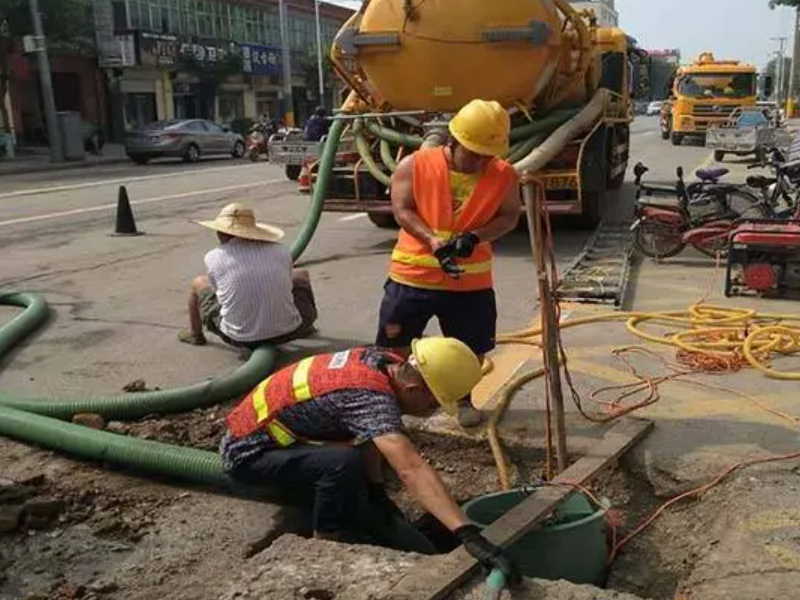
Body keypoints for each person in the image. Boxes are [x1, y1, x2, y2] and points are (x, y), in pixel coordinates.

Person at [220, 336, 519, 581]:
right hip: (250, 456)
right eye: (433, 403)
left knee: (359, 463)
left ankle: (358, 506)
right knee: (342, 463)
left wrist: (376, 490)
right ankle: (326, 542)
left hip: (282, 439)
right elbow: (411, 468)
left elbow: (368, 433)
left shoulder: (382, 362)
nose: (432, 411)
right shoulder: (369, 396)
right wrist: (467, 533)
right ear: (414, 388)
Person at [376, 99, 521, 427]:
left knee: (470, 348)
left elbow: (509, 216)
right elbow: (402, 210)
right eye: (473, 153)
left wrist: (474, 237)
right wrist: (433, 240)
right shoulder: (414, 165)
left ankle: (464, 400)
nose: (481, 162)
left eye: (488, 155)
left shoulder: (504, 175)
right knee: (394, 345)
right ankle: (390, 402)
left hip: (470, 283)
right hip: (412, 276)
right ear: (454, 141)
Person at [179, 203, 317, 349]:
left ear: (221, 233)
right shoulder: (281, 250)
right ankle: (307, 327)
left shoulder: (213, 257)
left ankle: (196, 334)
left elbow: (218, 294)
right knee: (301, 275)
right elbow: (287, 282)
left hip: (239, 337)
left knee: (198, 282)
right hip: (292, 331)